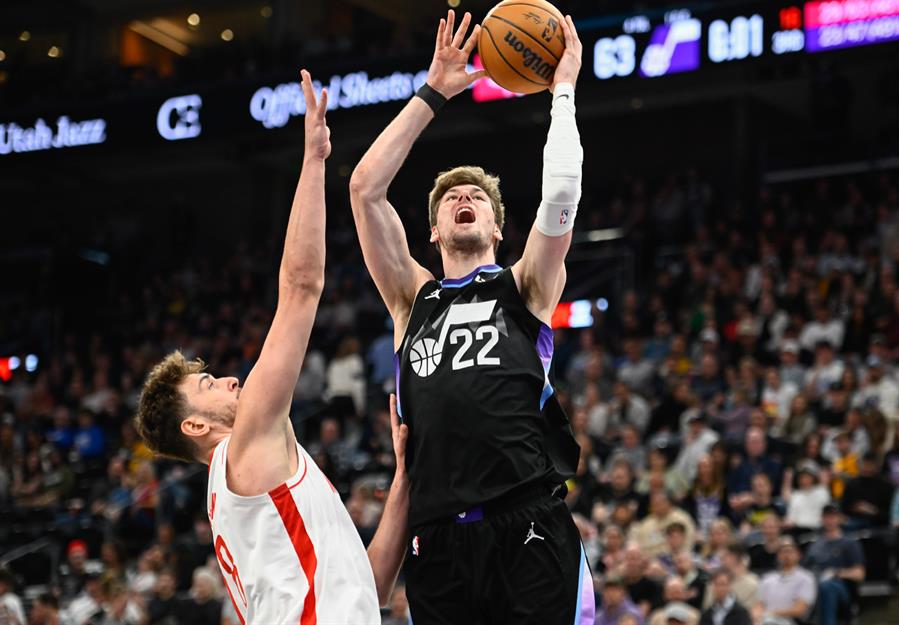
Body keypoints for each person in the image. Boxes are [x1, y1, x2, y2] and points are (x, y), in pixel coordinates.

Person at [134, 73, 409, 624]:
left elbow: (370, 585)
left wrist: (404, 479)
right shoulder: (245, 448)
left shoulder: (260, 490)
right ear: (195, 425)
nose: (230, 379)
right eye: (208, 385)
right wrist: (314, 159)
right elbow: (301, 287)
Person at [349, 9, 592, 624]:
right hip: (439, 540)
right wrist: (434, 92)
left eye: (477, 197)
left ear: (497, 227)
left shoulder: (527, 284)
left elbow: (562, 193)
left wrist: (562, 89)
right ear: (432, 231)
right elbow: (364, 189)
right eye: (451, 198)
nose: (464, 198)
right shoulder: (411, 298)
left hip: (528, 522)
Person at [802, 505, 865, 625]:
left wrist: (835, 573)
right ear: (822, 519)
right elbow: (804, 570)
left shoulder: (849, 543)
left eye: (832, 517)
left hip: (841, 589)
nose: (829, 520)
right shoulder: (814, 546)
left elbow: (859, 574)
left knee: (827, 586)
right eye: (826, 517)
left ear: (839, 519)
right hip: (815, 585)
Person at [751, 537, 816, 625]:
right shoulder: (767, 578)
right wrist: (756, 615)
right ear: (778, 556)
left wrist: (771, 614)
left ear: (798, 554)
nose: (786, 555)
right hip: (766, 620)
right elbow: (759, 604)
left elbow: (800, 610)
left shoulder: (806, 578)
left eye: (789, 551)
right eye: (782, 551)